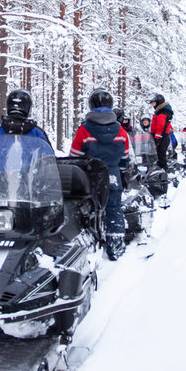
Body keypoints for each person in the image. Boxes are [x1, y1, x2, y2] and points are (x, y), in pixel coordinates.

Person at [70, 88, 132, 260]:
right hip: (112, 174)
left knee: (83, 208)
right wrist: (121, 170)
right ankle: (116, 245)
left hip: (89, 175)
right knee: (114, 207)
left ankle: (87, 245)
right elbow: (125, 158)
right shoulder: (121, 131)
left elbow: (74, 155)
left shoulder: (84, 129)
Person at [149, 92, 178, 169]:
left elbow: (161, 126)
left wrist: (157, 138)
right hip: (159, 136)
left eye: (154, 103)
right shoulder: (159, 112)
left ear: (158, 102)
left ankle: (164, 172)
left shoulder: (162, 113)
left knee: (161, 154)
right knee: (157, 153)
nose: (153, 105)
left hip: (162, 137)